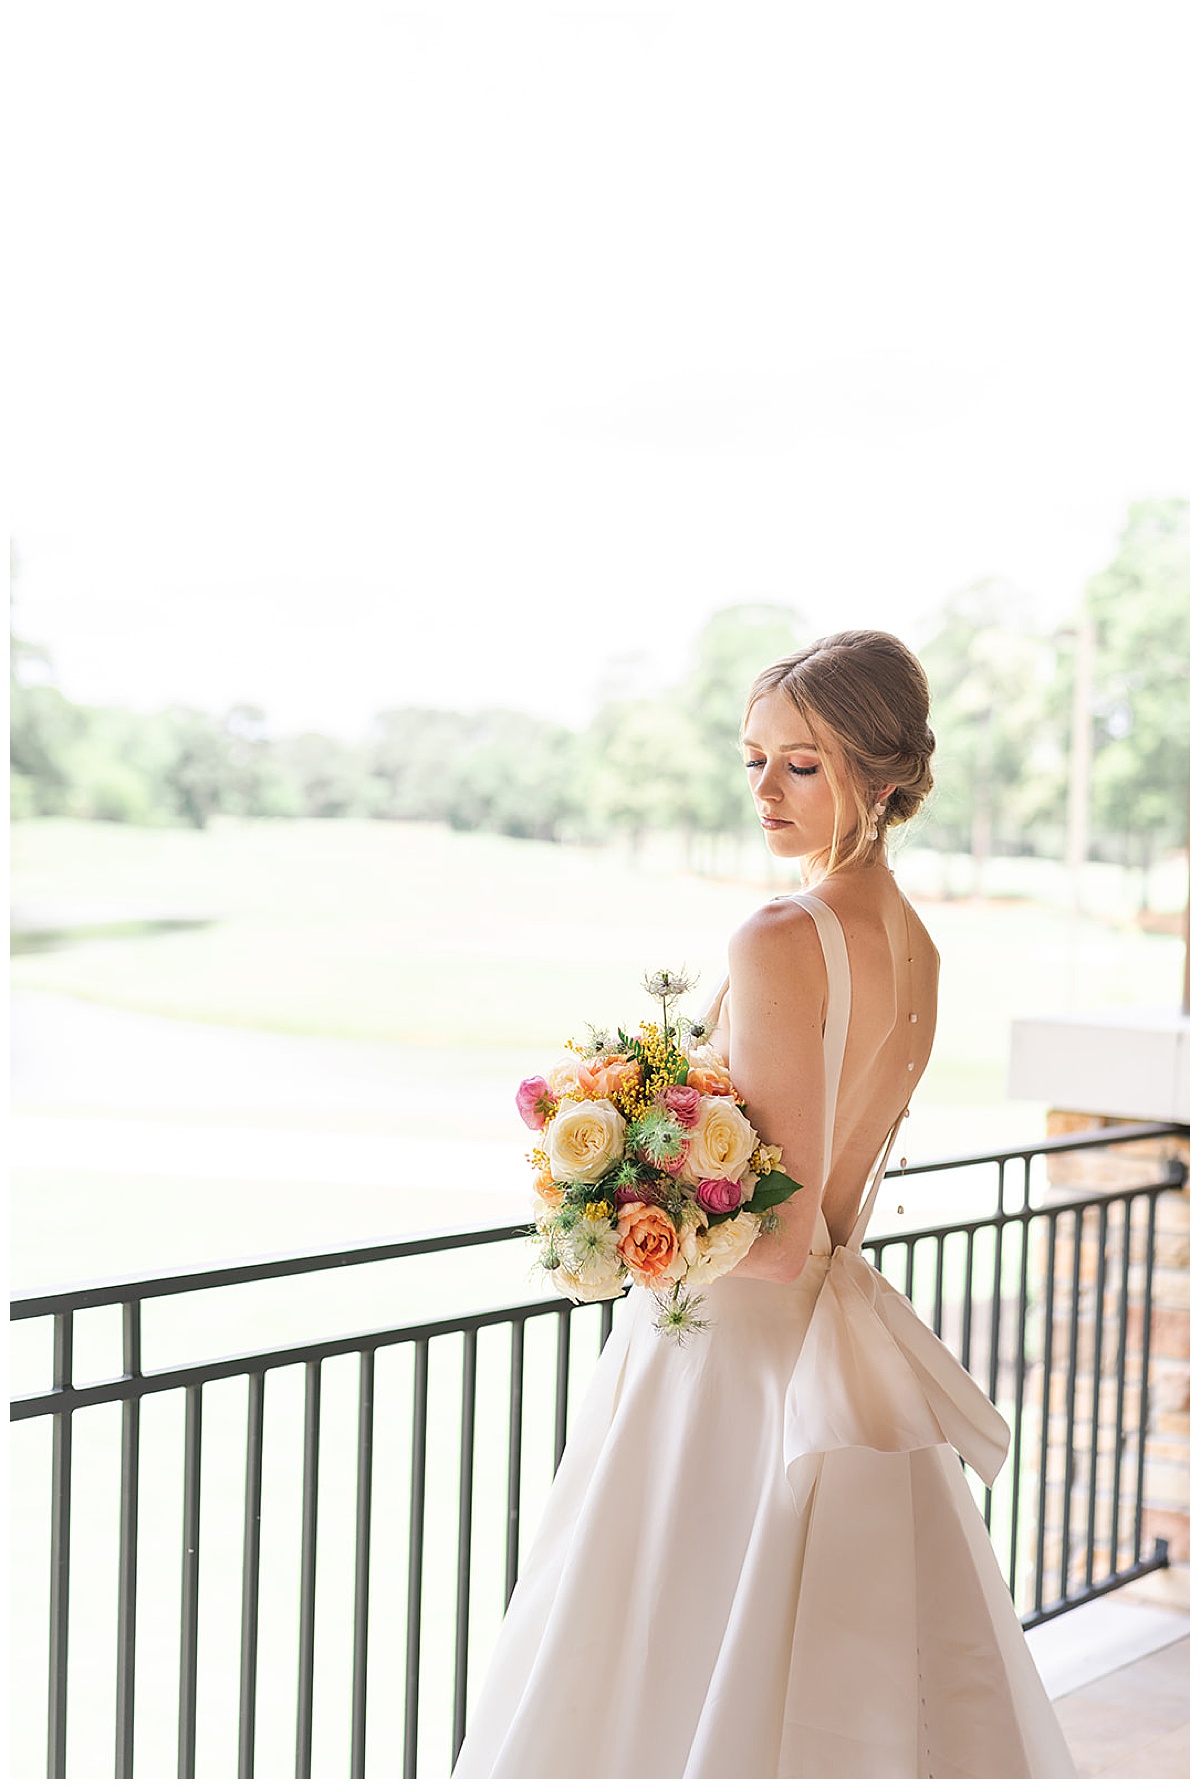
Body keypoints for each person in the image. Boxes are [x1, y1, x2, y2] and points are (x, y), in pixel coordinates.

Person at [453, 630, 1076, 1779]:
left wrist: (625, 1216)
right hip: (825, 1344)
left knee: (652, 1645)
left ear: (882, 774)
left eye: (803, 762)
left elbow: (780, 1241)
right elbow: (828, 1205)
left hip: (729, 1354)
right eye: (754, 761)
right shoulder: (920, 947)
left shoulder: (783, 934)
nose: (767, 791)